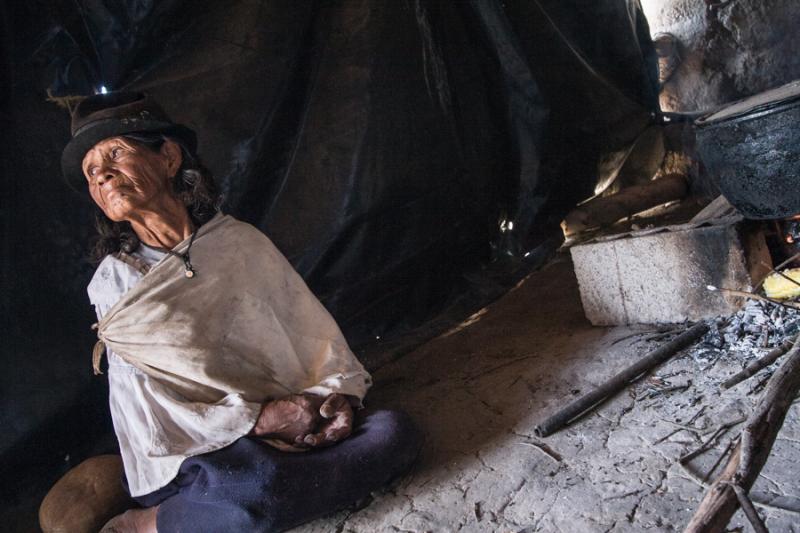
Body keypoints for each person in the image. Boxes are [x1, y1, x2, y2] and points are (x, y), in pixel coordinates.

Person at [47, 92, 422, 533]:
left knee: (393, 432)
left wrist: (334, 399)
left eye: (115, 154)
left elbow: (314, 340)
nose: (103, 176)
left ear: (168, 157)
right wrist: (260, 421)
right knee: (252, 486)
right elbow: (153, 414)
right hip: (201, 450)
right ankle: (150, 522)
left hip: (296, 420)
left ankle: (225, 507)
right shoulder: (117, 286)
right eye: (92, 172)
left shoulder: (240, 244)